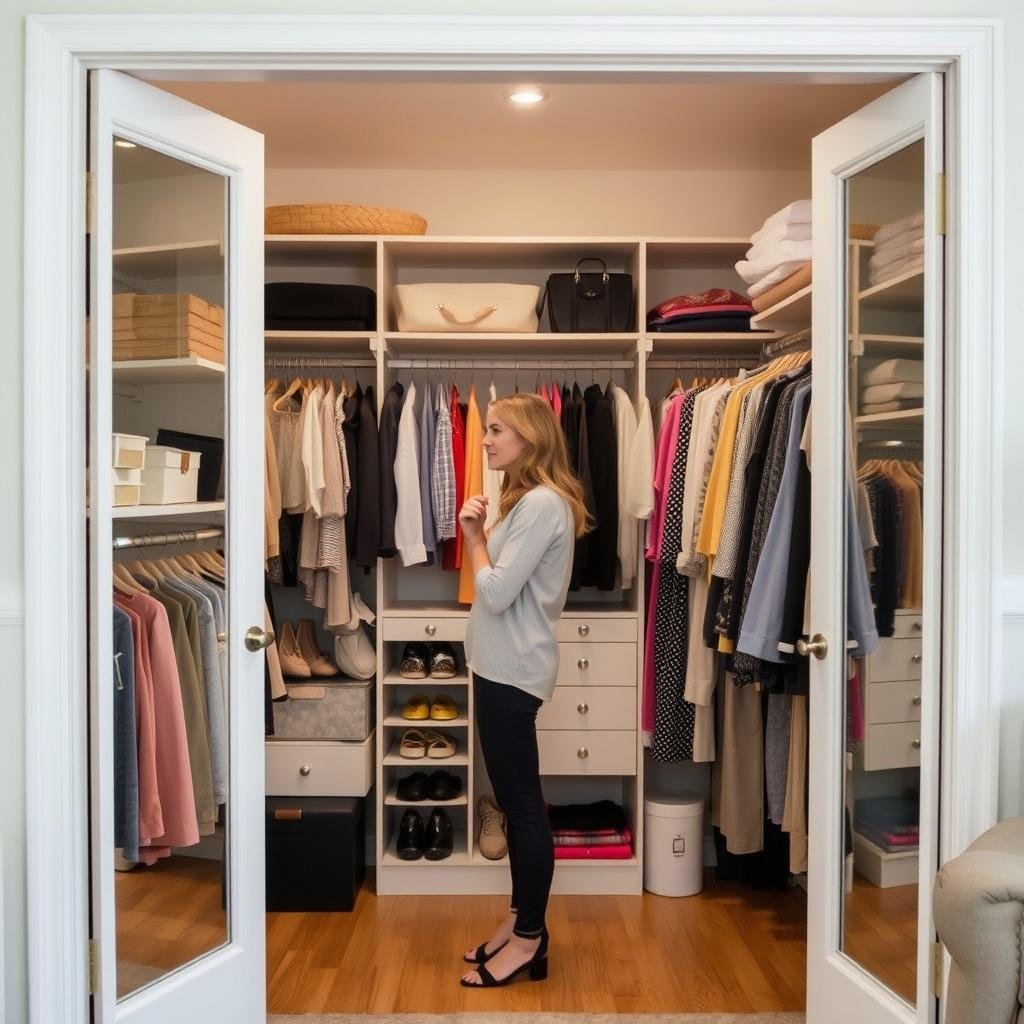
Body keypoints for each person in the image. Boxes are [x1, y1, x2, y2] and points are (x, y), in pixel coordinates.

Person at [458, 391, 591, 989]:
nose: (485, 440)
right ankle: (518, 922)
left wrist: (474, 537)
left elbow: (495, 593)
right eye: (486, 429)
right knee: (516, 807)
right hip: (500, 667)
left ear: (530, 438)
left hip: (512, 672)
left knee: (525, 810)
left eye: (496, 430)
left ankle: (530, 940)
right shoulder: (531, 500)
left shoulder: (540, 504)